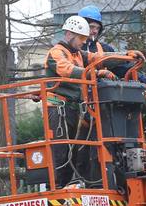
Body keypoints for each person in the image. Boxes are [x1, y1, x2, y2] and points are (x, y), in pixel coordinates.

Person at [46, 14, 113, 187]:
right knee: (62, 149)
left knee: (78, 148)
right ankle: (59, 186)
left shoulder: (78, 53)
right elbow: (67, 70)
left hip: (75, 107)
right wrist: (95, 73)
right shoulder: (57, 53)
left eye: (85, 38)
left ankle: (75, 183)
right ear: (69, 34)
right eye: (81, 38)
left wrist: (125, 55)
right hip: (58, 107)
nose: (84, 41)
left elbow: (98, 58)